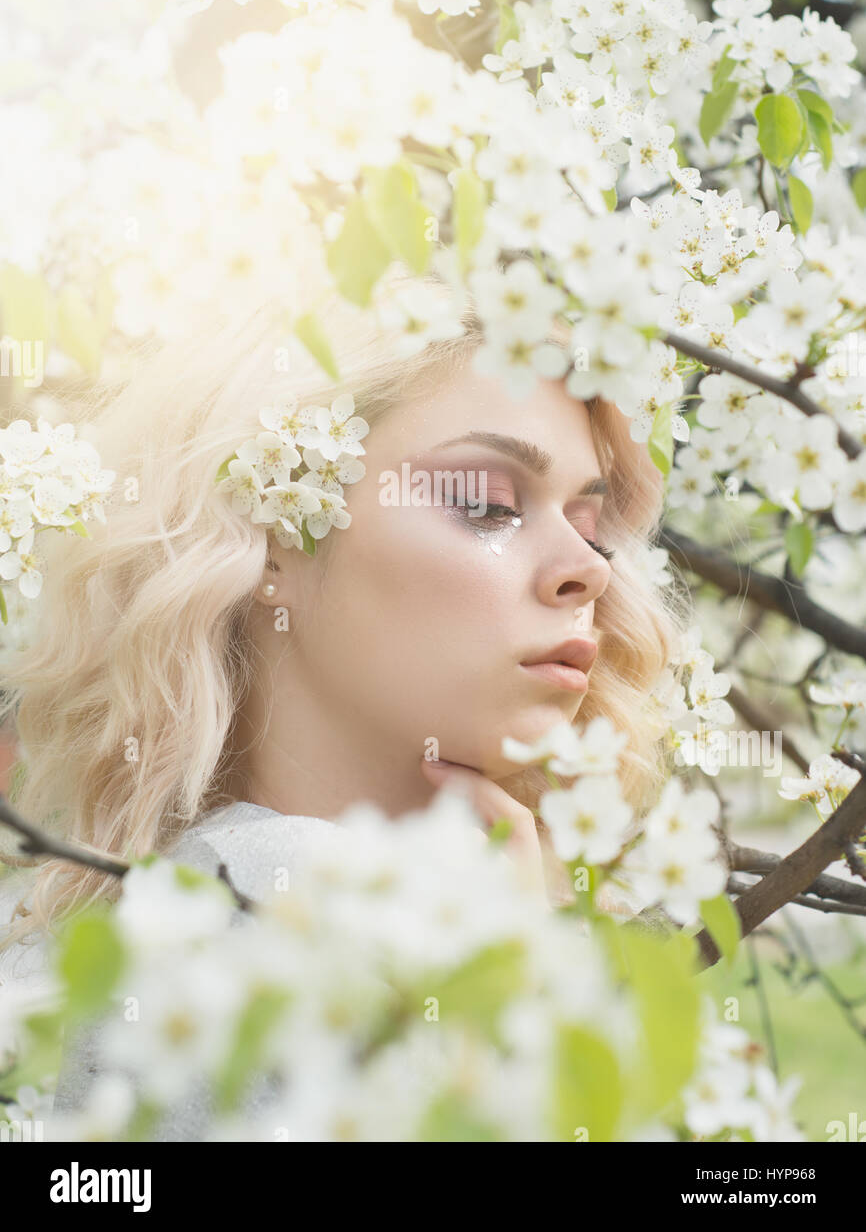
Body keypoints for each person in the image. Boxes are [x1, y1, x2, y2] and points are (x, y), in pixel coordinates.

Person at [0, 275, 687, 1132]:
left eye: (590, 525)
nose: (590, 569)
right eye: (487, 503)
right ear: (277, 531)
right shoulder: (214, 971)